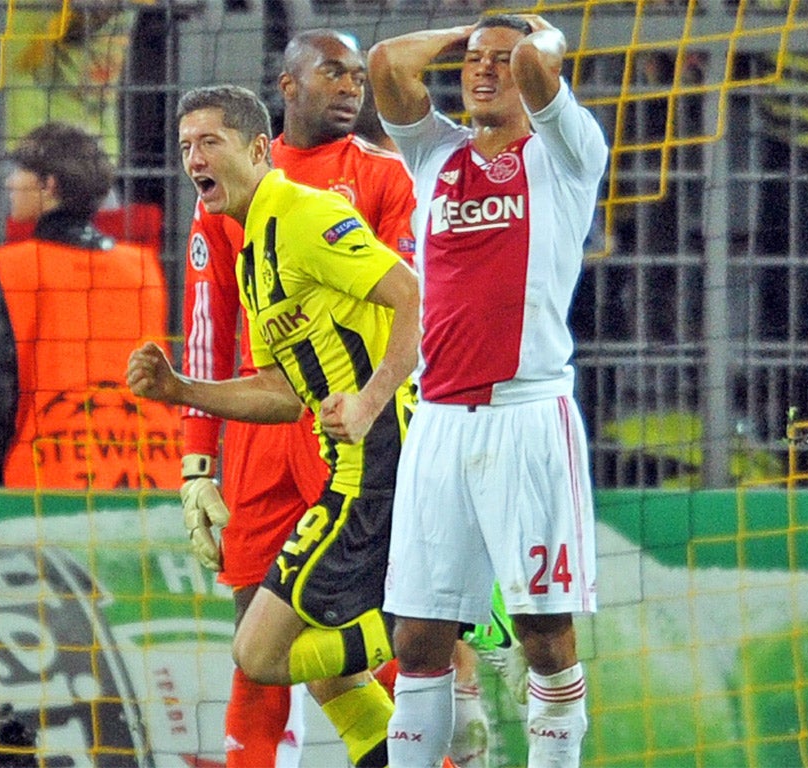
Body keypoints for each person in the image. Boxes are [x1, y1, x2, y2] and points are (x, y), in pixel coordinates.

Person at [127, 84, 420, 768]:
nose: (193, 158)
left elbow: (413, 294)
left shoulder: (305, 217)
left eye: (210, 142)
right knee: (328, 671)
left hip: (375, 462)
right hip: (347, 465)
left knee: (261, 653)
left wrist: (373, 398)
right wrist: (180, 390)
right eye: (184, 147)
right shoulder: (254, 247)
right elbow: (283, 390)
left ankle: (434, 617)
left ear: (259, 149)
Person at [368, 13, 608, 767]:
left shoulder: (567, 150)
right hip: (440, 420)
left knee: (544, 638)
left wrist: (532, 40)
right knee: (416, 639)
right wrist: (475, 28)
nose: (483, 70)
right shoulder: (434, 152)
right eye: (472, 61)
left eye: (498, 62)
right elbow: (384, 63)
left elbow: (540, 70)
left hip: (527, 416)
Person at [0, 122, 179, 490]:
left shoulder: (13, 268)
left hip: (50, 474)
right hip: (153, 468)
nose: (10, 183)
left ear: (49, 185)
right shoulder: (143, 267)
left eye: (20, 171)